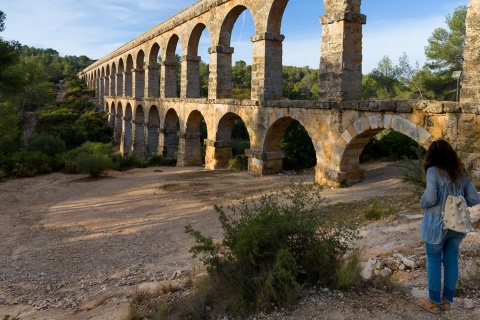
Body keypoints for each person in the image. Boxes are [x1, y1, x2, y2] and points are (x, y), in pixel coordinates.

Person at [418, 139, 480, 314]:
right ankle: (446, 300)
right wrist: (457, 202)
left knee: (434, 260)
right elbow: (475, 198)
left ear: (432, 156)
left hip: (436, 225)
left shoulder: (433, 172)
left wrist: (422, 203)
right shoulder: (460, 173)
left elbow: (430, 198)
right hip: (457, 225)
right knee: (451, 260)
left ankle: (433, 302)